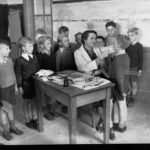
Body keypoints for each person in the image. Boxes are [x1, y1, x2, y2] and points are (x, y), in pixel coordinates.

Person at [74, 30, 115, 140]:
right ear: (84, 39)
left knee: (110, 98)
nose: (95, 40)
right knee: (106, 99)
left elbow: (110, 49)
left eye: (95, 38)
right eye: (92, 38)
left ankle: (103, 120)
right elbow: (84, 68)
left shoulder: (96, 50)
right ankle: (109, 127)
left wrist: (119, 44)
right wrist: (100, 58)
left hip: (100, 77)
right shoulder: (77, 52)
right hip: (88, 81)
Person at [0, 40, 23, 141]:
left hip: (11, 88)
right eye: (7, 48)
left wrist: (15, 86)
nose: (9, 50)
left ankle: (13, 127)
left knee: (10, 108)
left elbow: (13, 73)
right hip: (2, 90)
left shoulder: (9, 60)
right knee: (3, 111)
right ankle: (6, 131)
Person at [106, 35, 130, 133]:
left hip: (118, 84)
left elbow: (119, 76)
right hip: (124, 83)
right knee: (123, 104)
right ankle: (123, 123)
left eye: (114, 43)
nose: (113, 45)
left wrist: (122, 90)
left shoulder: (118, 58)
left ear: (119, 45)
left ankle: (120, 125)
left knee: (120, 105)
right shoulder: (126, 55)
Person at [15, 37, 39, 130]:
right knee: (26, 103)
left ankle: (34, 118)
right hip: (26, 85)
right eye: (29, 46)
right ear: (23, 48)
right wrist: (19, 86)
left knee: (34, 101)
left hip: (35, 83)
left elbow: (37, 68)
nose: (32, 47)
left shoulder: (35, 57)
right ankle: (27, 120)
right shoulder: (19, 60)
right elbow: (18, 74)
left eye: (32, 45)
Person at [37, 35, 57, 120]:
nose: (50, 45)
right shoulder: (40, 56)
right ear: (41, 45)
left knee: (52, 95)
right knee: (44, 96)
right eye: (47, 43)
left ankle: (51, 109)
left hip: (53, 77)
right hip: (44, 79)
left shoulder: (52, 53)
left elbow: (54, 66)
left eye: (50, 43)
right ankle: (46, 112)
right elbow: (39, 69)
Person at [125, 27, 143, 107]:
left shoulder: (139, 46)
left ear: (136, 35)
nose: (130, 37)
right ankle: (127, 98)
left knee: (133, 84)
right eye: (128, 35)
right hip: (126, 68)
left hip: (134, 68)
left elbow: (141, 58)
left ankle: (132, 99)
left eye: (132, 35)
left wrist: (140, 69)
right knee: (127, 84)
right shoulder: (126, 46)